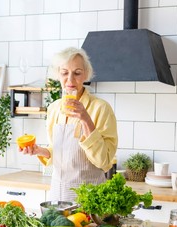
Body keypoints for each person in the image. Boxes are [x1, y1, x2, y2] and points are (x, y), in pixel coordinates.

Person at [19, 47, 118, 202]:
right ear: (58, 75)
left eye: (77, 73)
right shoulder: (54, 109)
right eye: (64, 73)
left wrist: (86, 119)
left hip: (91, 200)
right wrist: (39, 151)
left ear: (86, 74)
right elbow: (58, 152)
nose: (70, 80)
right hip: (58, 198)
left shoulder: (101, 108)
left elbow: (104, 161)